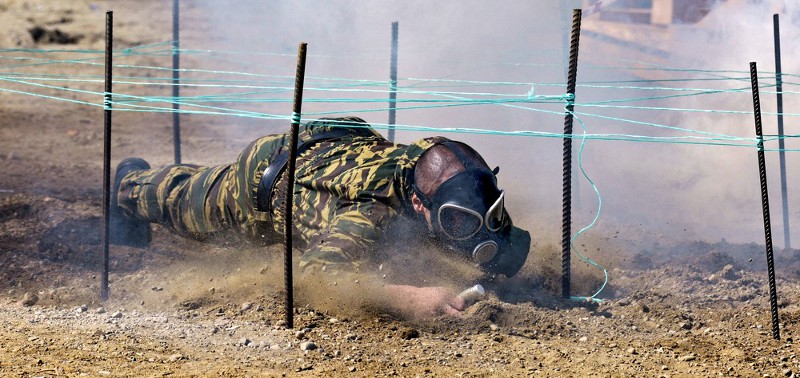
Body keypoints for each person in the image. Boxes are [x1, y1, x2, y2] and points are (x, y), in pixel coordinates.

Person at [111, 116, 530, 319]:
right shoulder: (368, 215)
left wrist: (501, 249)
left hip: (337, 140)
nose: (473, 232)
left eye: (481, 217)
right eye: (456, 223)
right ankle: (129, 183)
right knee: (185, 199)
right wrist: (409, 296)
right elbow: (316, 277)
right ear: (419, 204)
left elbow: (491, 226)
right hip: (267, 180)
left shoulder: (449, 173)